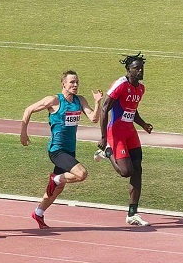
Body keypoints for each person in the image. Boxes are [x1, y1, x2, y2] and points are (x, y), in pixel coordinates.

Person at [21, 70, 103, 229]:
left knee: (57, 189)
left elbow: (94, 118)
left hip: (70, 150)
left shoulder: (80, 100)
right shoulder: (53, 100)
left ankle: (38, 212)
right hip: (57, 150)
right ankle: (56, 178)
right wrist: (23, 132)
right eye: (72, 82)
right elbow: (28, 110)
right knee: (81, 174)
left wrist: (97, 102)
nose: (75, 85)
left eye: (77, 82)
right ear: (63, 84)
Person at [96, 53, 153, 226]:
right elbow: (104, 109)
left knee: (138, 170)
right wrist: (103, 137)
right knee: (126, 172)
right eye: (136, 68)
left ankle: (132, 214)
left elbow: (131, 110)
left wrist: (143, 124)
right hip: (116, 132)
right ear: (129, 69)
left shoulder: (140, 89)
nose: (140, 70)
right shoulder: (120, 84)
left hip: (130, 132)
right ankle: (108, 152)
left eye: (141, 68)